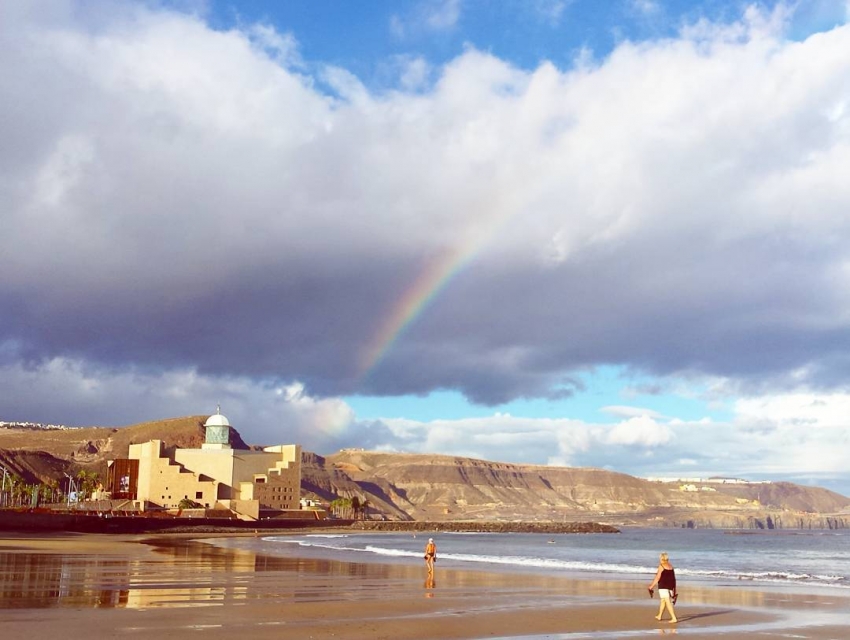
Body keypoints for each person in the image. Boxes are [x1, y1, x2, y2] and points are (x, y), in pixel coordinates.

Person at [648, 552, 678, 623]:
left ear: (661, 558)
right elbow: (673, 579)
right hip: (670, 586)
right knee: (663, 600)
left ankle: (674, 618)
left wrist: (651, 586)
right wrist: (674, 589)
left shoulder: (661, 566)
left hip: (663, 586)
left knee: (667, 601)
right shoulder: (671, 566)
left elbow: (657, 577)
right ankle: (659, 616)